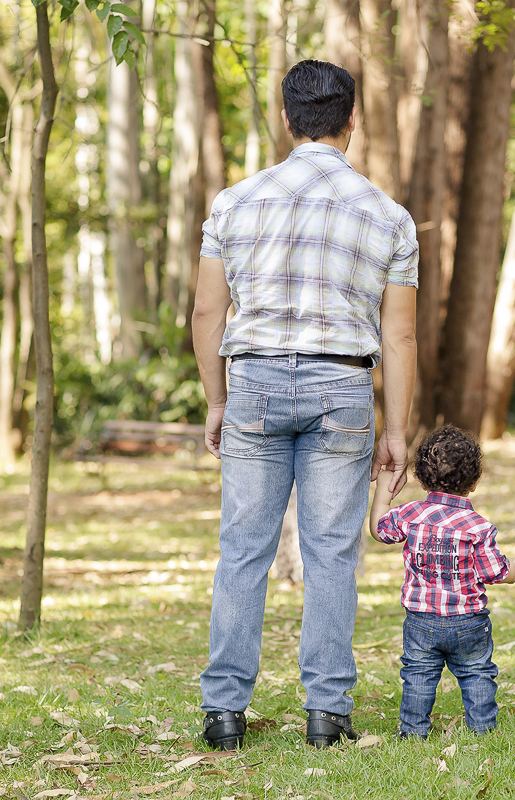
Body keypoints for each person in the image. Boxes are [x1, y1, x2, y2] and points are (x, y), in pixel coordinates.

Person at [191, 59, 418, 751]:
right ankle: (327, 715)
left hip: (254, 382)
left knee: (242, 553)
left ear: (287, 120)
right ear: (353, 121)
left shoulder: (234, 202)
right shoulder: (388, 215)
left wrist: (216, 400)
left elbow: (206, 311)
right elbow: (400, 332)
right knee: (329, 556)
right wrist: (399, 431)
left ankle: (224, 715)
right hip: (342, 388)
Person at [368, 425, 515, 739]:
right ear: (474, 481)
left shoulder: (410, 515)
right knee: (477, 672)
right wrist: (513, 569)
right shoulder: (478, 526)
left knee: (418, 675)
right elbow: (494, 573)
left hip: (421, 621)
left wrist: (384, 488)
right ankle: (482, 728)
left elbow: (380, 529)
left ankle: (413, 731)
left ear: (422, 477)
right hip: (468, 622)